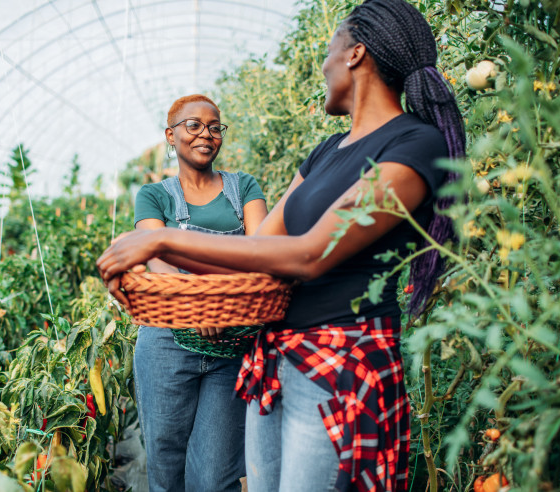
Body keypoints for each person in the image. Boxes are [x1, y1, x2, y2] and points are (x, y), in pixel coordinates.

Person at [99, 0, 464, 490]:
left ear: (355, 54)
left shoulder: (414, 145)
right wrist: (148, 249)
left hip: (340, 365)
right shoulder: (327, 152)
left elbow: (310, 254)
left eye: (329, 52)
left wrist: (162, 237)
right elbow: (260, 249)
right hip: (275, 360)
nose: (323, 66)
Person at [131, 94, 268, 492]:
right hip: (166, 342)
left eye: (214, 127)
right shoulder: (154, 195)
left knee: (215, 476)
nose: (206, 134)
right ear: (170, 136)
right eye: (193, 126)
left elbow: (261, 251)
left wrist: (226, 309)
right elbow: (155, 256)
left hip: (231, 342)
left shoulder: (243, 188)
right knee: (165, 458)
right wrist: (196, 307)